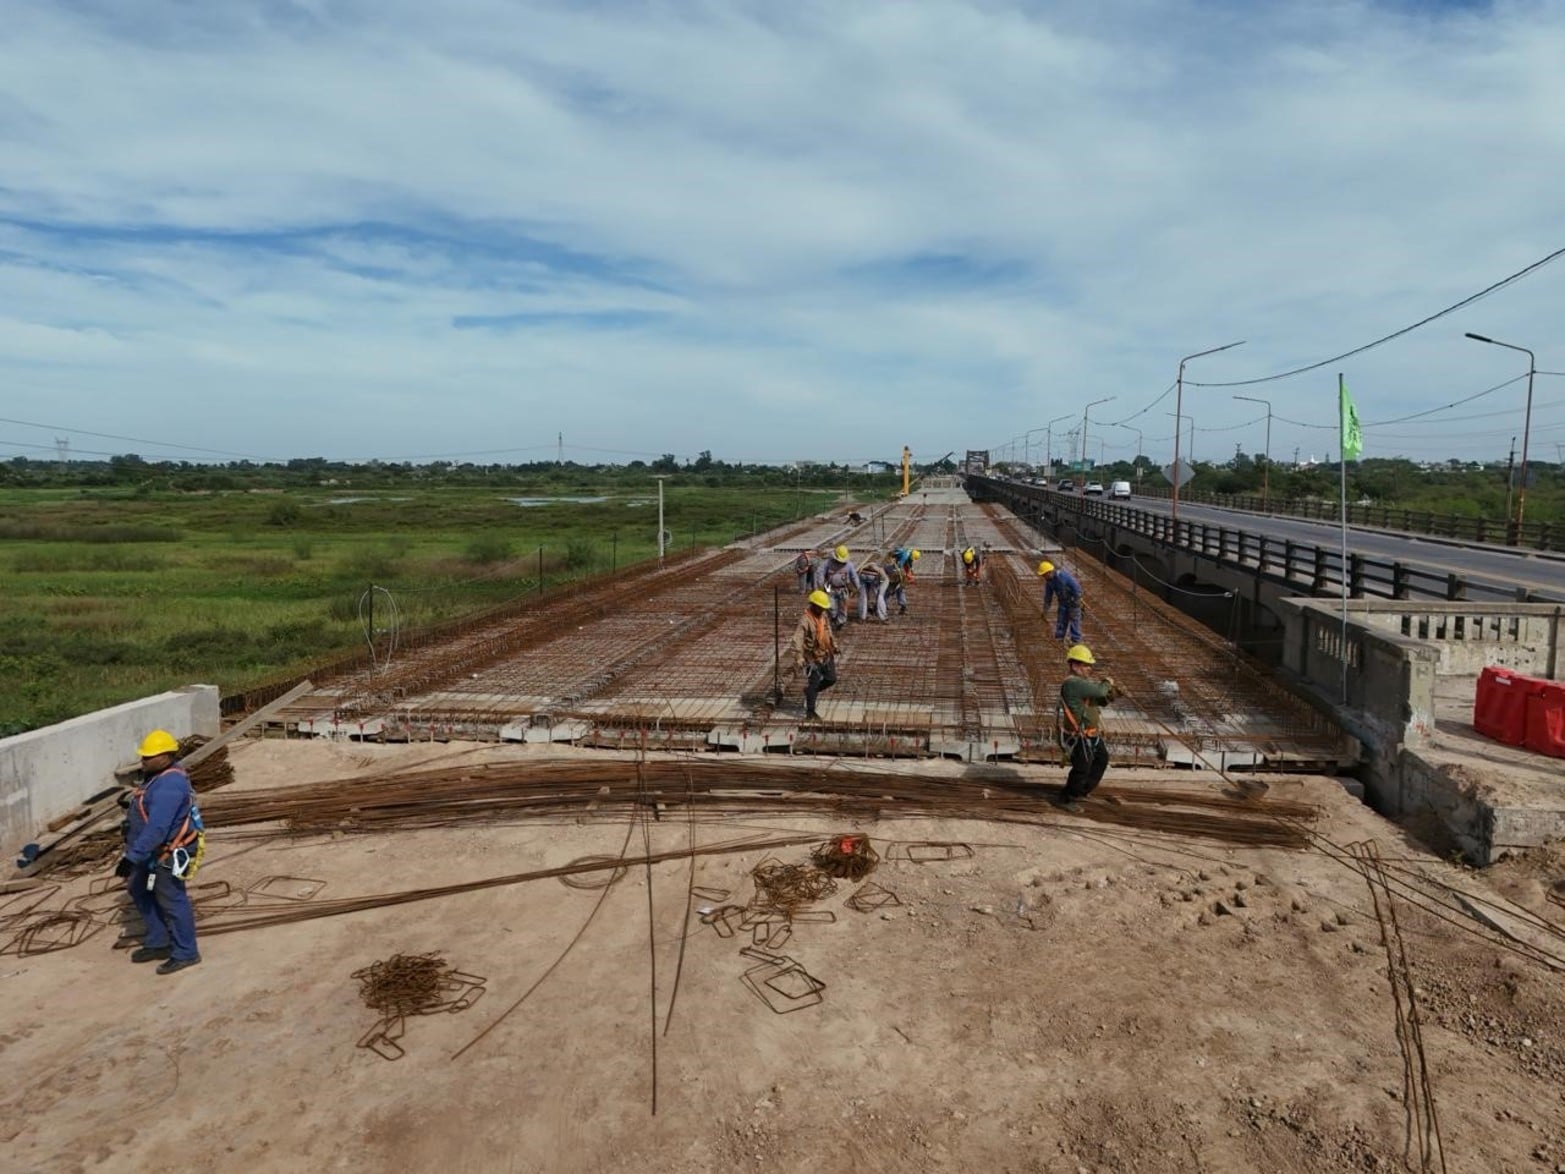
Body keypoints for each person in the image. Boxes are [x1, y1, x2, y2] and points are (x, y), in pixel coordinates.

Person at [114, 729, 202, 974]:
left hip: (168, 852)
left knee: (172, 899)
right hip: (150, 851)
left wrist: (131, 858)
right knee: (139, 889)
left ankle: (186, 953)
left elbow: (158, 828)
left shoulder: (170, 785)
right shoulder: (156, 777)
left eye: (147, 757)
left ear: (165, 756)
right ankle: (159, 941)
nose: (142, 761)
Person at [1055, 644, 1116, 812]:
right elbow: (1100, 690)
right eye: (1086, 665)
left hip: (1090, 735)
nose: (1089, 669)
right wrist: (1107, 682)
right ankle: (1067, 798)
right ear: (1074, 665)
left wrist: (1108, 696)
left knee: (1101, 760)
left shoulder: (1081, 684)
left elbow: (1099, 699)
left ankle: (1081, 790)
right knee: (1082, 767)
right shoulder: (1073, 683)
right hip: (1078, 736)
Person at [787, 589, 839, 720]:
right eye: (821, 607)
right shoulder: (805, 620)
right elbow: (797, 639)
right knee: (814, 683)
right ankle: (810, 711)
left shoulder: (823, 616)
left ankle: (810, 692)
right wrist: (798, 657)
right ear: (814, 605)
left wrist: (834, 645)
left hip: (826, 654)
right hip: (813, 658)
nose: (823, 610)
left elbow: (828, 632)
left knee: (831, 679)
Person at [814, 544, 860, 629]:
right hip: (830, 588)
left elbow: (854, 576)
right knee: (831, 607)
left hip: (843, 589)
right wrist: (820, 585)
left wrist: (857, 587)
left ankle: (840, 623)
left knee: (843, 608)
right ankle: (834, 618)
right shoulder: (828, 563)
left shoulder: (849, 565)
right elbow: (820, 573)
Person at [1037, 560, 1084, 643]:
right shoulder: (1049, 582)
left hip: (1073, 600)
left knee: (1074, 620)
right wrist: (1045, 610)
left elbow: (1077, 588)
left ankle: (1075, 640)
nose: (1043, 577)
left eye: (1044, 575)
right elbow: (1048, 596)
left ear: (1049, 572)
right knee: (1061, 619)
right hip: (1063, 602)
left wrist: (1077, 600)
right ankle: (1059, 638)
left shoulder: (1063, 576)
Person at [857, 556, 888, 623]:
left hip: (863, 575)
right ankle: (883, 617)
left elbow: (858, 573)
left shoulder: (864, 565)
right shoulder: (879, 568)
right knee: (879, 596)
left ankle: (862, 617)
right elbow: (883, 578)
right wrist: (880, 584)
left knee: (863, 597)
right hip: (874, 577)